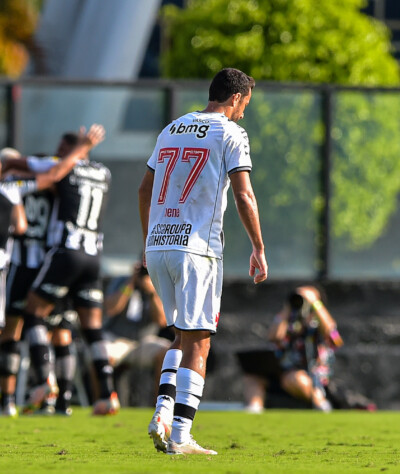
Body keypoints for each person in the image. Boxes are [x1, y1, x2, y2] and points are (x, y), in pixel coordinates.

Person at [139, 68, 267, 455]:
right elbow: (244, 196)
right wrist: (258, 247)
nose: (244, 112)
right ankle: (179, 433)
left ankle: (162, 411)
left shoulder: (171, 128)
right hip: (198, 249)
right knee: (200, 343)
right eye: (245, 103)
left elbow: (145, 188)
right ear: (236, 98)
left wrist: (149, 239)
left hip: (159, 245)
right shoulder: (231, 133)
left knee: (180, 334)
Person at [0, 125, 105, 415]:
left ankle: (3, 397)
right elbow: (53, 177)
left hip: (16, 266)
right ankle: (58, 400)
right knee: (60, 331)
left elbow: (17, 225)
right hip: (51, 263)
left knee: (9, 331)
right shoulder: (52, 187)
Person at [19, 131, 118, 416]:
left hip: (66, 252)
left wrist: (74, 153)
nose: (57, 155)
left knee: (33, 313)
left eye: (61, 150)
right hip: (93, 256)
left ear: (72, 150)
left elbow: (49, 173)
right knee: (90, 327)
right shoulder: (103, 172)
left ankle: (43, 382)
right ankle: (107, 394)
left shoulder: (66, 165)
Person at [240, 286, 346, 413]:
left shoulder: (318, 322)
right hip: (281, 373)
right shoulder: (289, 321)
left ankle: (322, 404)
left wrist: (315, 302)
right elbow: (274, 337)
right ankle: (254, 408)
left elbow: (334, 337)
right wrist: (288, 308)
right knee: (252, 378)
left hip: (311, 378)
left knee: (293, 378)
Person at [102, 259, 170, 406]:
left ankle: (159, 406)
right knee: (102, 353)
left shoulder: (159, 285)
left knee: (168, 353)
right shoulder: (122, 281)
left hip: (144, 340)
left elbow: (162, 321)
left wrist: (152, 292)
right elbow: (111, 309)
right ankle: (102, 401)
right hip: (117, 339)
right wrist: (131, 283)